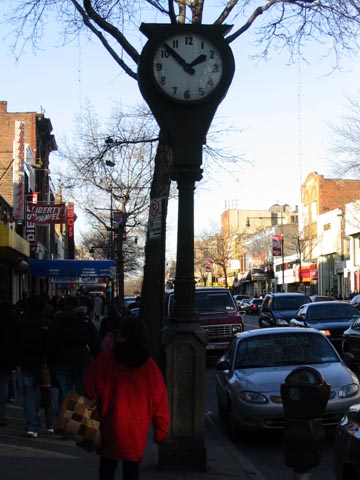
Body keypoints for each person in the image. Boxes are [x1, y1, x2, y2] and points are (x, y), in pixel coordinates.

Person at [83, 316, 170, 480]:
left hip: (110, 424)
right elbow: (160, 404)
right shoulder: (150, 368)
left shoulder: (107, 360)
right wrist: (160, 433)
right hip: (136, 428)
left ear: (124, 336)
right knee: (132, 470)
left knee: (107, 467)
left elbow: (89, 386)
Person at [16, 294, 58, 438]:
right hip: (44, 364)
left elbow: (16, 342)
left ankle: (31, 426)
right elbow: (52, 344)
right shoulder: (47, 323)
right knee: (47, 394)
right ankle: (51, 424)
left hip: (27, 362)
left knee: (29, 395)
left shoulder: (21, 322)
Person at [48, 296, 101, 407]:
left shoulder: (58, 321)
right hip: (81, 359)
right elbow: (95, 343)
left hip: (62, 360)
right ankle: (80, 417)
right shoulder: (86, 322)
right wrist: (97, 358)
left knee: (64, 392)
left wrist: (50, 361)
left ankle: (64, 418)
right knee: (82, 391)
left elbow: (51, 341)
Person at [0, 291, 18, 426]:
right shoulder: (11, 314)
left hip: (7, 354)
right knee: (3, 385)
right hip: (6, 355)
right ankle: (1, 415)